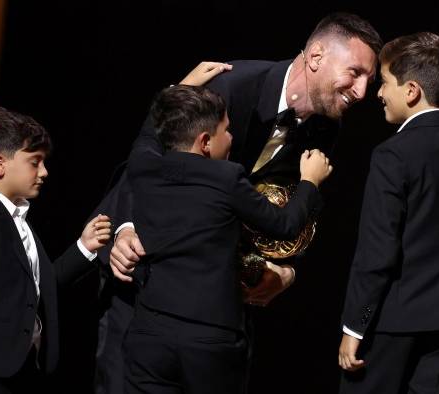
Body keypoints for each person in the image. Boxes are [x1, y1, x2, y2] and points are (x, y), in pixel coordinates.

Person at [96, 12, 382, 394]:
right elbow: (151, 161)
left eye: (370, 80)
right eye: (355, 73)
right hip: (146, 279)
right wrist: (126, 227)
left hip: (218, 307)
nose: (362, 92)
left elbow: (297, 208)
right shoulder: (229, 86)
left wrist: (285, 271)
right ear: (315, 57)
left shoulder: (328, 125)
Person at [123, 84, 331, 394]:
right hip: (210, 341)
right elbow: (285, 225)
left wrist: (183, 86)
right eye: (226, 130)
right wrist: (309, 182)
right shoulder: (226, 178)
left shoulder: (142, 165)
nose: (232, 138)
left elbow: (147, 134)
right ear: (205, 142)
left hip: (149, 334)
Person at [338, 32, 439, 394]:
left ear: (411, 91)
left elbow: (377, 252)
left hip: (393, 320)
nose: (378, 93)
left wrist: (353, 328)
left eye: (385, 83)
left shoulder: (393, 154)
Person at [0, 107, 111, 394]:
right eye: (35, 162)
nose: (44, 172)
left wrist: (83, 248)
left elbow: (41, 286)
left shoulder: (20, 221)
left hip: (25, 367)